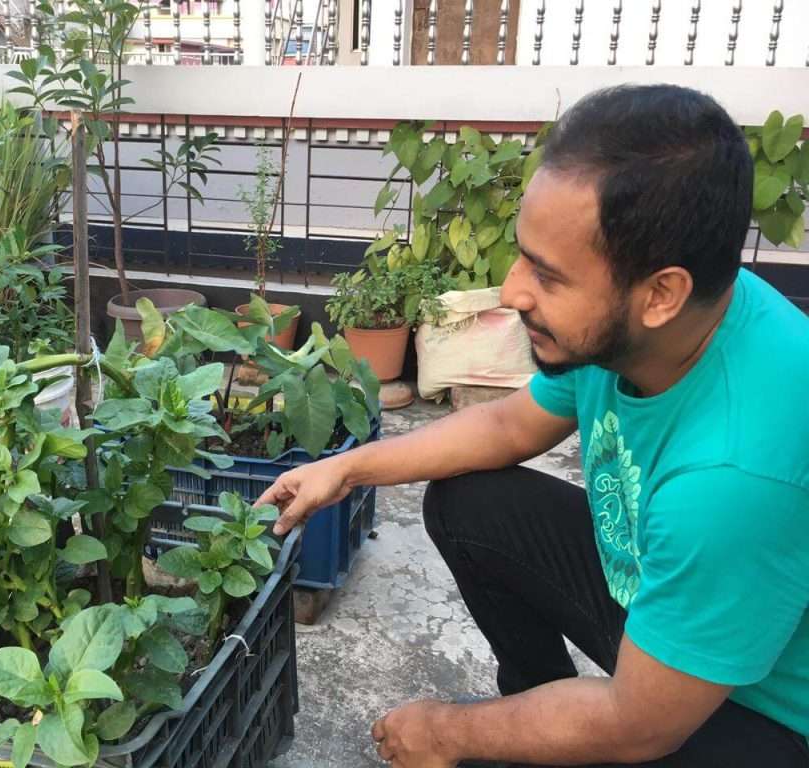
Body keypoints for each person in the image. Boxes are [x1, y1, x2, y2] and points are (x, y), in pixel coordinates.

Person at [255, 84, 809, 768]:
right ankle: (542, 710)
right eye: (523, 255)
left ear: (661, 294)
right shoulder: (662, 319)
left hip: (755, 705)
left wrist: (447, 732)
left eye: (548, 277)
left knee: (606, 736)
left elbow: (639, 724)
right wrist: (347, 467)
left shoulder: (733, 475)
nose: (514, 290)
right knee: (469, 501)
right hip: (662, 602)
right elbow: (510, 426)